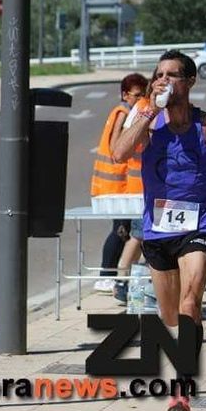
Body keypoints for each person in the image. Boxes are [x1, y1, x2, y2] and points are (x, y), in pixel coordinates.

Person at [113, 50, 206, 411]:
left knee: (190, 301)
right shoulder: (146, 118)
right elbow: (120, 152)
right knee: (172, 317)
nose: (165, 80)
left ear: (190, 81)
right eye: (160, 75)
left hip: (199, 226)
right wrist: (148, 111)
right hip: (157, 231)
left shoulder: (205, 125)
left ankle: (181, 390)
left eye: (173, 74)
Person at [90, 73, 147, 295]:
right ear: (125, 94)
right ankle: (107, 276)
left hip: (120, 185)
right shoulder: (124, 113)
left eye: (143, 94)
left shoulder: (124, 111)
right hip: (116, 185)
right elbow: (116, 149)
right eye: (136, 95)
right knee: (122, 231)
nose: (139, 98)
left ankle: (111, 275)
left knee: (124, 231)